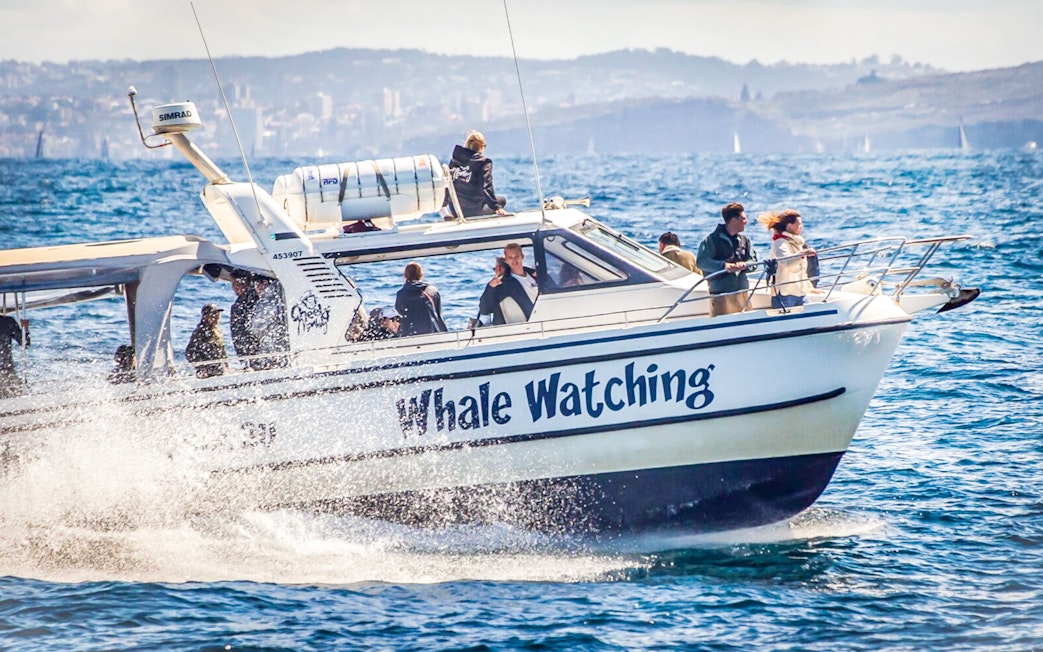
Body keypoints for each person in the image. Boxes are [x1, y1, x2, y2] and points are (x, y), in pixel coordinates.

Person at [696, 202, 758, 317]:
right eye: (743, 218)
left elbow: (754, 261)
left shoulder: (745, 241)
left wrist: (745, 265)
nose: (746, 221)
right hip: (721, 296)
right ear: (734, 220)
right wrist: (724, 266)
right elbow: (702, 262)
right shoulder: (711, 240)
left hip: (742, 295)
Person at [758, 209, 818, 309]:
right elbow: (786, 263)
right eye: (799, 224)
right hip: (785, 294)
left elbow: (801, 271)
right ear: (789, 226)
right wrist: (803, 254)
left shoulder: (796, 243)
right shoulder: (780, 243)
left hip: (800, 293)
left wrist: (809, 288)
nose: (801, 227)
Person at [444, 130, 507, 218]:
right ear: (481, 147)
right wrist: (496, 207)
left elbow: (448, 184)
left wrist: (444, 203)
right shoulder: (484, 162)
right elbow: (486, 186)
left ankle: (454, 215)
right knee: (502, 200)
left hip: (455, 208)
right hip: (473, 210)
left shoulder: (454, 160)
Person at [479, 243, 539, 325]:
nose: (514, 260)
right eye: (510, 257)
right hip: (525, 326)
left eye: (516, 256)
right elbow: (484, 310)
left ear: (522, 256)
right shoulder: (502, 283)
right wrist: (491, 287)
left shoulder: (536, 275)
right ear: (506, 260)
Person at [395, 262, 448, 337]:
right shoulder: (432, 291)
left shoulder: (401, 294)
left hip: (408, 335)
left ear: (405, 275)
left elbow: (399, 315)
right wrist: (446, 335)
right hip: (432, 333)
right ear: (421, 274)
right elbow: (439, 316)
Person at [250, 276, 290, 369]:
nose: (258, 287)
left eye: (260, 283)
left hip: (271, 345)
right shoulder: (278, 297)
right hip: (280, 343)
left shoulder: (266, 302)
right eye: (256, 284)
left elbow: (258, 327)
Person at [185, 303, 229, 379]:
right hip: (207, 372)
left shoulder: (216, 331)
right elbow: (189, 352)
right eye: (213, 315)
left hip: (218, 369)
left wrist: (227, 365)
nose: (217, 317)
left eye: (217, 314)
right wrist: (201, 367)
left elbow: (222, 350)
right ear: (206, 316)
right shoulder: (200, 331)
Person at [229, 270, 260, 367]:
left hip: (252, 348)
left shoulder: (251, 298)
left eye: (235, 284)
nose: (233, 288)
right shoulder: (243, 300)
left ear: (243, 283)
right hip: (245, 348)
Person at [0, 315, 29, 398]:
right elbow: (25, 343)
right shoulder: (7, 321)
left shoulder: (7, 321)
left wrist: (25, 329)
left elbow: (25, 343)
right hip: (6, 371)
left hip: (6, 371)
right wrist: (25, 329)